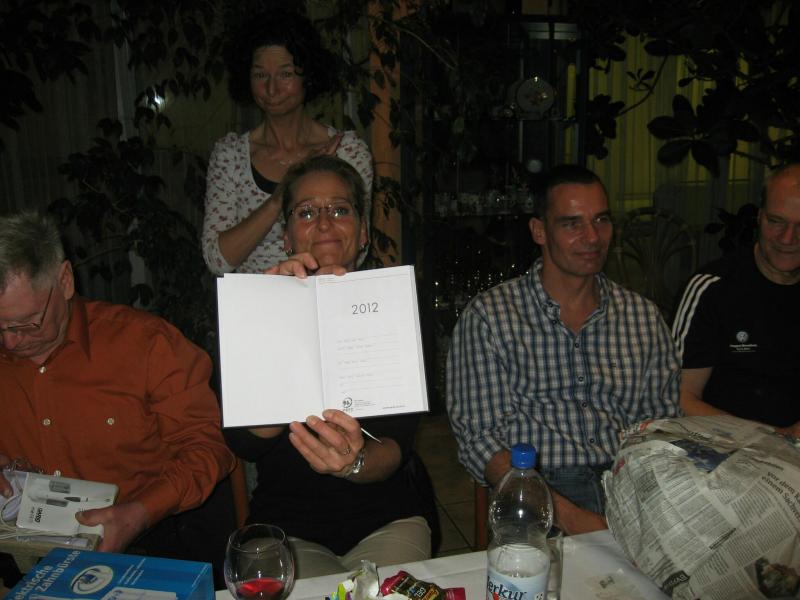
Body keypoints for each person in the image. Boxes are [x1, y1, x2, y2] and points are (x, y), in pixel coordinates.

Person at [224, 155, 433, 578]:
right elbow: (247, 443)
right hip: (286, 528)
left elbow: (397, 446)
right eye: (306, 212)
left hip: (386, 518)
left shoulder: (396, 305)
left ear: (363, 232)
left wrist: (354, 464)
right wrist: (279, 319)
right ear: (286, 237)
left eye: (340, 209)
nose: (323, 223)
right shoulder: (251, 309)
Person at [446, 165, 681, 534]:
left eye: (601, 220)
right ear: (539, 231)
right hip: (538, 488)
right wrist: (572, 518)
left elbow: (661, 426)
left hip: (627, 480)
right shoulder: (491, 317)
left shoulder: (642, 316)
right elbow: (480, 441)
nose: (593, 237)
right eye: (572, 224)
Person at [0, 212, 235, 566]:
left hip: (144, 542)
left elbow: (207, 449)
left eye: (26, 324)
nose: (10, 342)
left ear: (64, 281)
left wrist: (140, 512)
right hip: (21, 549)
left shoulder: (146, 344)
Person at [202, 11, 373, 275]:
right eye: (260, 75)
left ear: (308, 75)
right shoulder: (231, 156)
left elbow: (357, 246)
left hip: (329, 291)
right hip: (257, 298)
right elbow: (217, 260)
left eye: (285, 74)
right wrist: (279, 198)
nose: (272, 89)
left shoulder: (347, 150)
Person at [672, 162, 800, 436]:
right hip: (723, 444)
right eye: (776, 221)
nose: (788, 238)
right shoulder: (713, 288)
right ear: (759, 217)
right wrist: (774, 438)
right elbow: (678, 398)